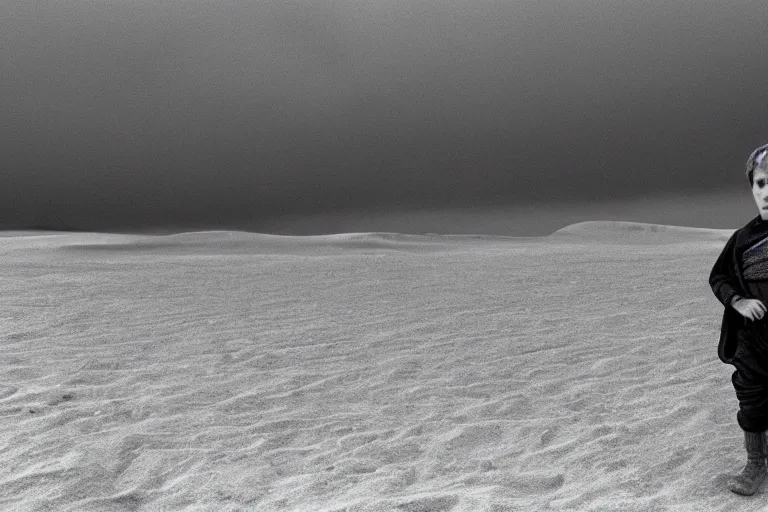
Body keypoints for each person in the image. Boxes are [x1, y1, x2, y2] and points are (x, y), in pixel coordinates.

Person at [710, 142, 768, 495]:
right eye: (761, 183)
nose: (767, 192)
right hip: (753, 344)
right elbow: (719, 277)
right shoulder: (742, 240)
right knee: (752, 402)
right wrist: (738, 301)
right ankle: (756, 463)